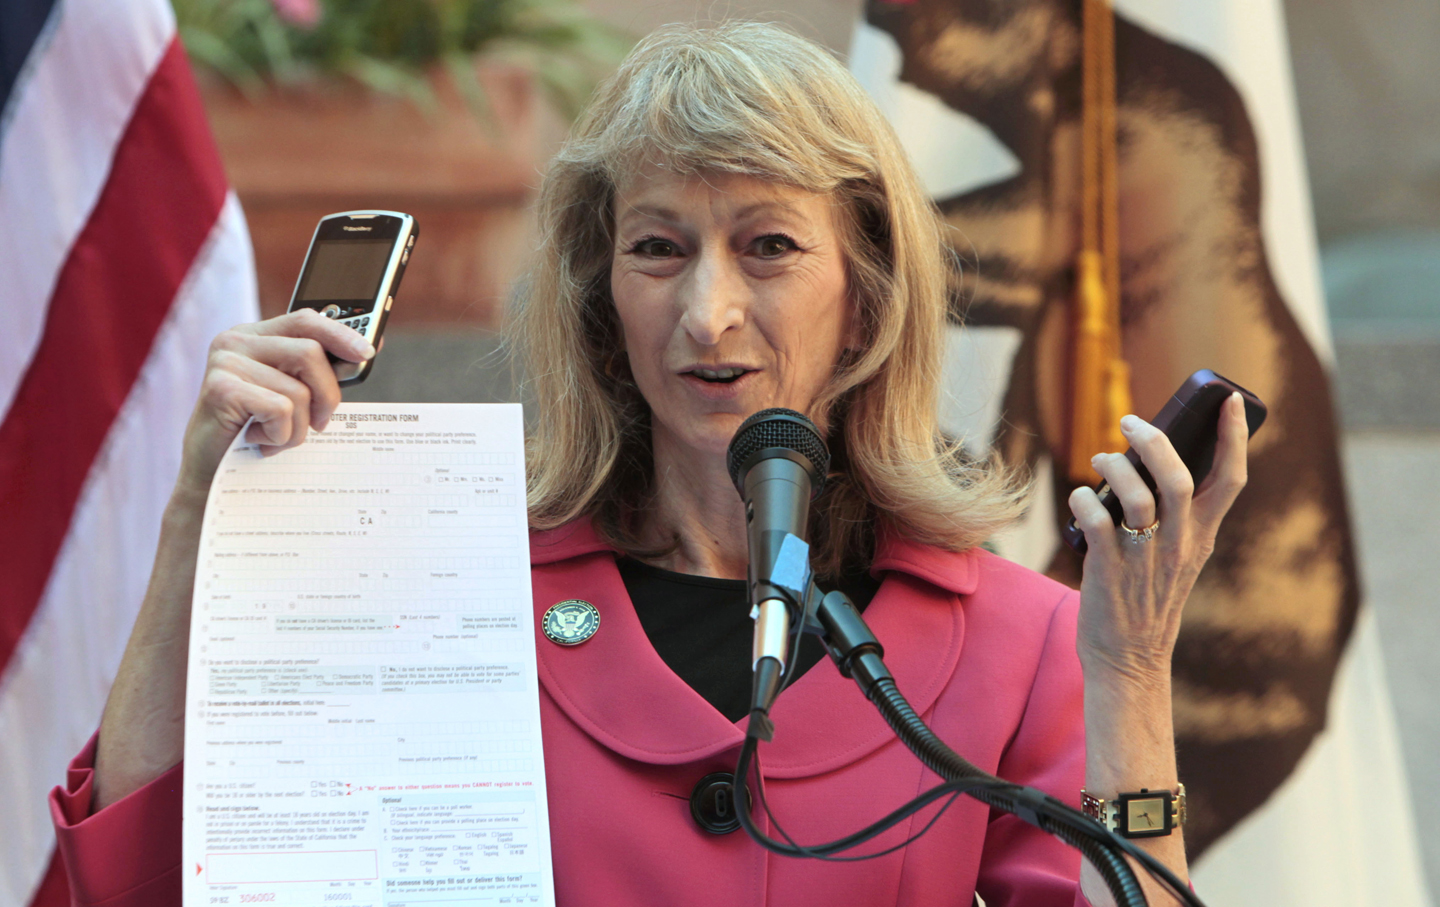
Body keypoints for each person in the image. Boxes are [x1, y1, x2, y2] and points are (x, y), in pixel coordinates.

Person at [50, 22, 1248, 907]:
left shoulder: (1026, 640)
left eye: (769, 244)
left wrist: (1132, 671)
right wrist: (200, 513)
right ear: (598, 289)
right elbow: (139, 889)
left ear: (868, 287)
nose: (707, 313)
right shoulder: (440, 585)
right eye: (658, 248)